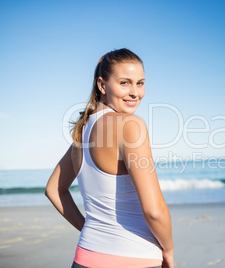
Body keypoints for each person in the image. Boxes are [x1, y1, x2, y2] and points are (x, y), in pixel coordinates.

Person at [45, 48, 174, 268]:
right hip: (135, 258)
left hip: (86, 256)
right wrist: (169, 249)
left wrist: (90, 229)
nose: (135, 92)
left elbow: (53, 189)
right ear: (102, 85)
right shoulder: (130, 125)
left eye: (140, 83)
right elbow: (154, 210)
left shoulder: (83, 130)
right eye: (125, 83)